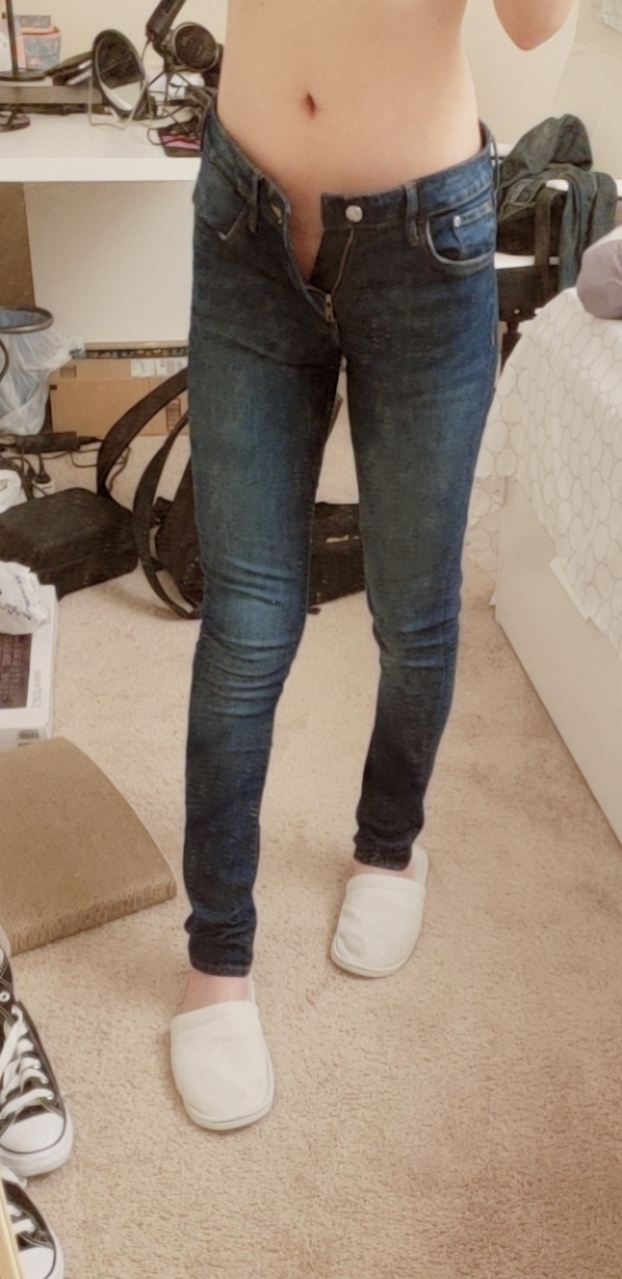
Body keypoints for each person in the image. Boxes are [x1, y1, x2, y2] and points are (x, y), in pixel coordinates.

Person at [170, 0, 576, 1131]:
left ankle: (390, 850)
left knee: (411, 608)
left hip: (424, 244)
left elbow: (534, 26)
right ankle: (216, 956)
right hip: (245, 219)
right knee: (246, 619)